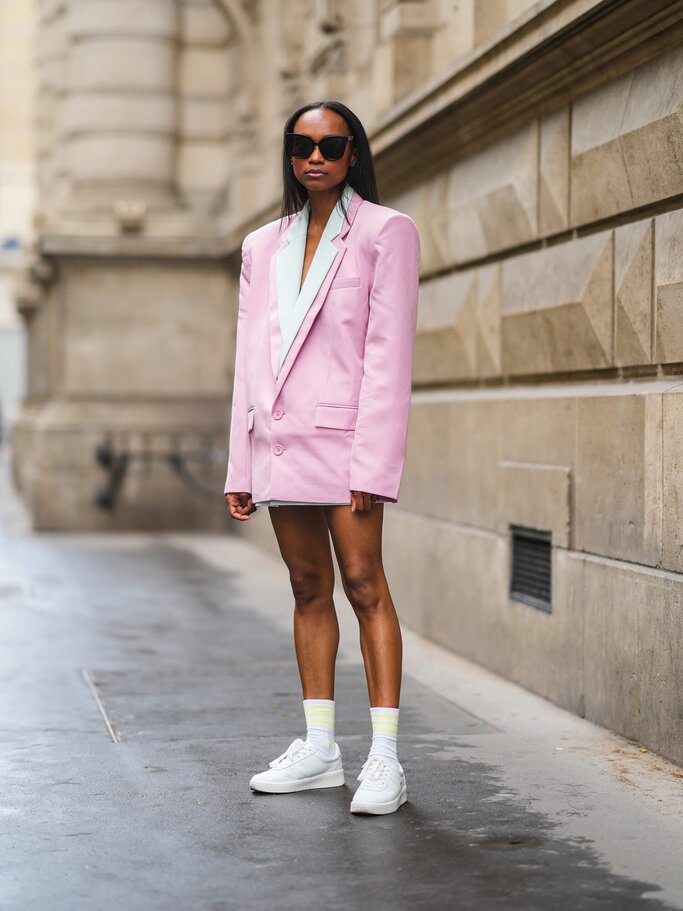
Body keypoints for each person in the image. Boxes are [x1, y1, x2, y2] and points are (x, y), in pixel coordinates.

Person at [224, 100, 420, 816]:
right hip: (280, 444)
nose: (316, 156)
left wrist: (373, 462)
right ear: (289, 153)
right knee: (308, 586)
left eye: (331, 145)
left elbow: (386, 355)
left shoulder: (384, 232)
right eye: (302, 144)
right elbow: (249, 360)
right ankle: (318, 749)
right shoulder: (259, 246)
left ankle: (385, 758)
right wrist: (238, 465)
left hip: (346, 445)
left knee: (364, 583)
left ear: (352, 154)